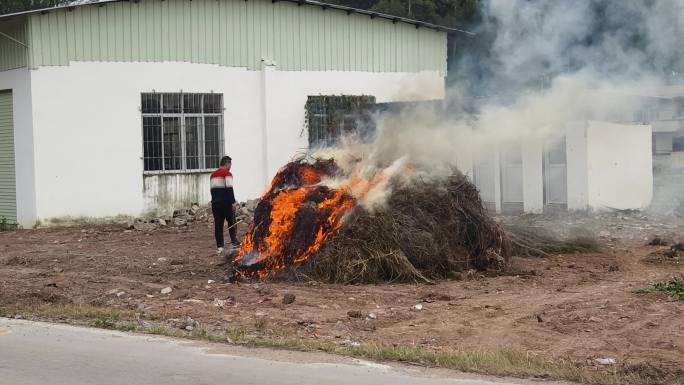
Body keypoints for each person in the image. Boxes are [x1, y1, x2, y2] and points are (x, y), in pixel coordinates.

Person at [210, 155, 239, 254]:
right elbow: (229, 189)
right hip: (226, 203)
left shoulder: (212, 175)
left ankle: (220, 247)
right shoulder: (227, 174)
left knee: (218, 225)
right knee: (232, 222)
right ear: (227, 163)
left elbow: (212, 191)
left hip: (215, 203)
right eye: (230, 164)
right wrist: (233, 202)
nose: (230, 166)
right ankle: (234, 242)